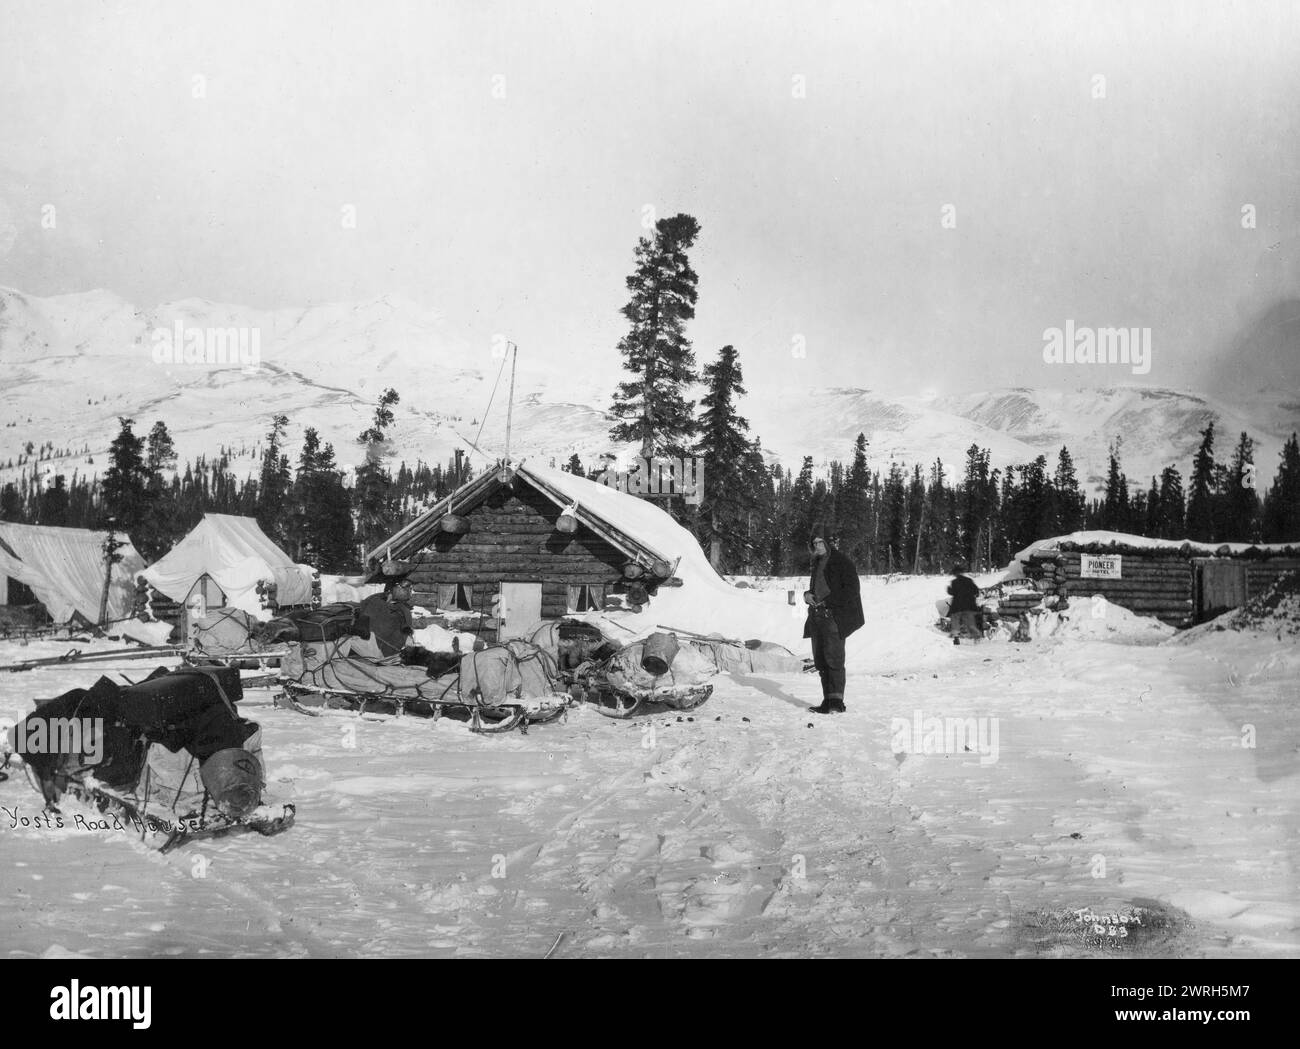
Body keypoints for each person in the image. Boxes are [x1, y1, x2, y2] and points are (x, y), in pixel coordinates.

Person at [803, 526, 864, 714]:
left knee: (834, 660)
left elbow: (852, 590)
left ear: (828, 542)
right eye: (814, 543)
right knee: (821, 661)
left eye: (821, 542)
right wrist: (807, 595)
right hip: (817, 616)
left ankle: (837, 703)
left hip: (834, 617)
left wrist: (828, 601)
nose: (817, 546)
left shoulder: (841, 561)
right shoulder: (818, 562)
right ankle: (827, 701)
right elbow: (818, 588)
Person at [352, 579, 417, 662]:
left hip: (386, 652)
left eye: (410, 588)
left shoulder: (404, 611)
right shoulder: (375, 600)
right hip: (365, 643)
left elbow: (405, 634)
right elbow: (363, 611)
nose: (409, 591)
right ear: (394, 588)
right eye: (405, 587)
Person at [947, 564, 981, 643]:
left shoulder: (954, 582)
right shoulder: (969, 580)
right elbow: (976, 591)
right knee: (970, 623)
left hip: (957, 606)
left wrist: (949, 590)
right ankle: (977, 637)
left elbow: (952, 592)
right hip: (969, 606)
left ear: (955, 573)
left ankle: (956, 636)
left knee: (955, 619)